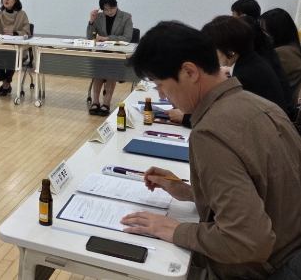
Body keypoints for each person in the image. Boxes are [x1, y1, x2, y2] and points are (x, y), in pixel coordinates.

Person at [122, 21, 301, 280]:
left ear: (189, 72)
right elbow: (268, 193)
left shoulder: (211, 133)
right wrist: (192, 193)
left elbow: (247, 241)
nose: (161, 95)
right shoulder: (261, 106)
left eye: (160, 84)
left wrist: (173, 229)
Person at [200, 15, 287, 113]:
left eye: (213, 49)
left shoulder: (245, 77)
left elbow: (229, 113)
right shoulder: (252, 62)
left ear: (230, 50)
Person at [86, 0, 133, 116]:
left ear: (116, 5)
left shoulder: (126, 17)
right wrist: (91, 21)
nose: (109, 12)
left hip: (117, 54)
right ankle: (95, 102)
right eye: (106, 10)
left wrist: (107, 38)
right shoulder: (99, 17)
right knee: (98, 67)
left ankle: (106, 103)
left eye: (112, 8)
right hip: (102, 52)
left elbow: (127, 38)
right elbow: (90, 37)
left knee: (111, 67)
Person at [0, 0, 30, 96]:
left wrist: (14, 33)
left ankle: (6, 85)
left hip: (18, 50)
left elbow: (27, 32)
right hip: (3, 49)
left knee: (11, 58)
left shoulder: (22, 14)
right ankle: (6, 84)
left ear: (15, 0)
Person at [260, 8, 301, 108]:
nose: (260, 34)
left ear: (276, 32)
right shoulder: (293, 47)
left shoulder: (282, 53)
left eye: (264, 30)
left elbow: (263, 81)